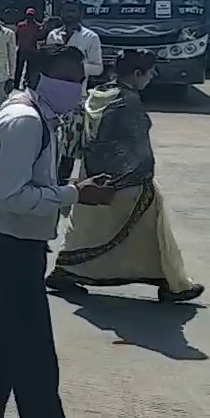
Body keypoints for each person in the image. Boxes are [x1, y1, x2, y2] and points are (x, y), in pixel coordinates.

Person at [0, 45, 117, 417]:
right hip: (8, 249)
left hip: (13, 246)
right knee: (35, 363)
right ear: (38, 78)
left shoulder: (37, 114)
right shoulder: (25, 122)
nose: (75, 88)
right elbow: (11, 196)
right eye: (65, 79)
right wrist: (76, 194)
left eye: (80, 79)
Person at [46, 50, 204, 303]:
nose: (150, 79)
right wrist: (138, 175)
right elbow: (134, 144)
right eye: (149, 74)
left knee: (88, 229)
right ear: (137, 74)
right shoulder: (128, 102)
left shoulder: (98, 95)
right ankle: (171, 283)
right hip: (127, 180)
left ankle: (65, 271)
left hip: (92, 176)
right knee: (153, 229)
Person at [45, 0, 104, 185]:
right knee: (49, 144)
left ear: (80, 13)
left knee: (69, 149)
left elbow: (98, 68)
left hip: (76, 99)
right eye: (66, 10)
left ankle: (62, 188)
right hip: (51, 99)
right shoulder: (53, 35)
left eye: (73, 11)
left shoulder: (90, 37)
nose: (69, 14)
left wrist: (76, 67)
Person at [14, 8, 42, 88]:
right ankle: (16, 84)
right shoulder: (21, 25)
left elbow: (40, 37)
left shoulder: (37, 26)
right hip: (22, 49)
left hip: (31, 50)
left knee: (30, 69)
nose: (30, 17)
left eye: (31, 16)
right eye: (28, 15)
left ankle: (26, 82)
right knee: (19, 68)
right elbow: (16, 36)